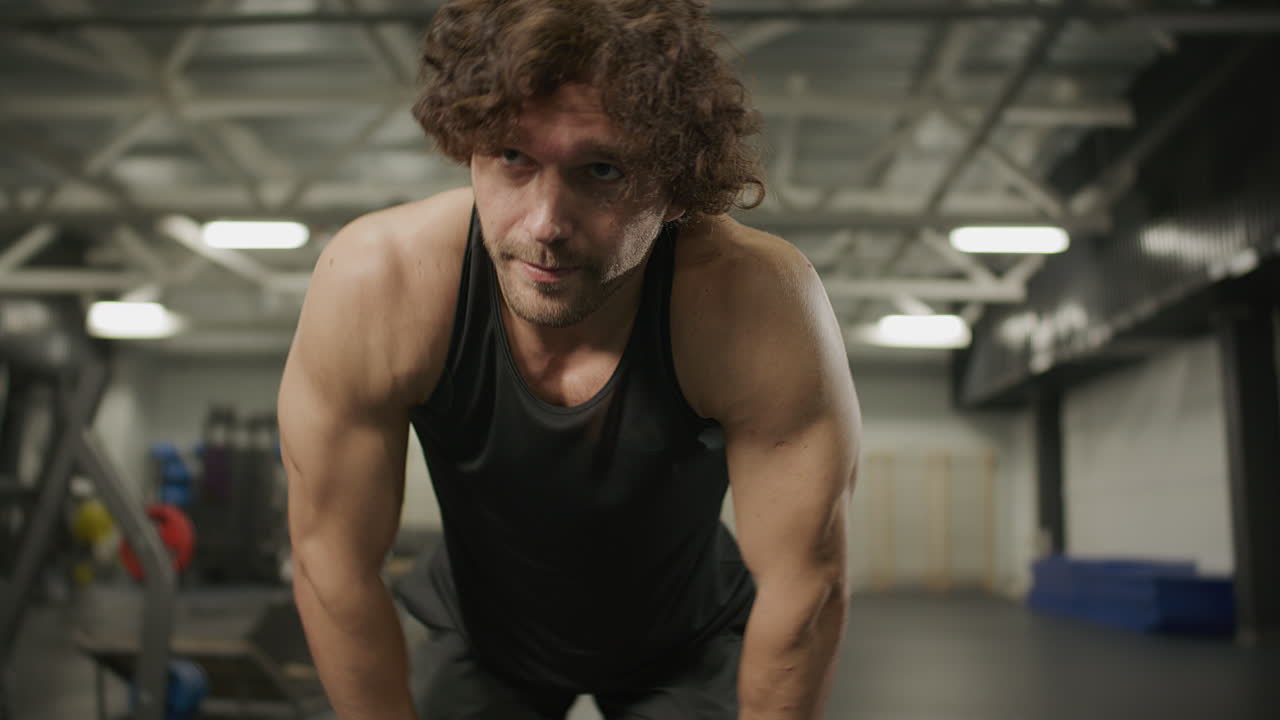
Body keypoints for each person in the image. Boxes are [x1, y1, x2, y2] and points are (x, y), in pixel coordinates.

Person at [277, 1, 862, 718]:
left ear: (677, 191)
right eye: (513, 158)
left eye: (603, 170)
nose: (546, 223)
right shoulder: (380, 282)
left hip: (688, 642)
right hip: (482, 639)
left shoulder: (753, 302)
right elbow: (332, 560)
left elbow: (808, 587)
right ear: (470, 147)